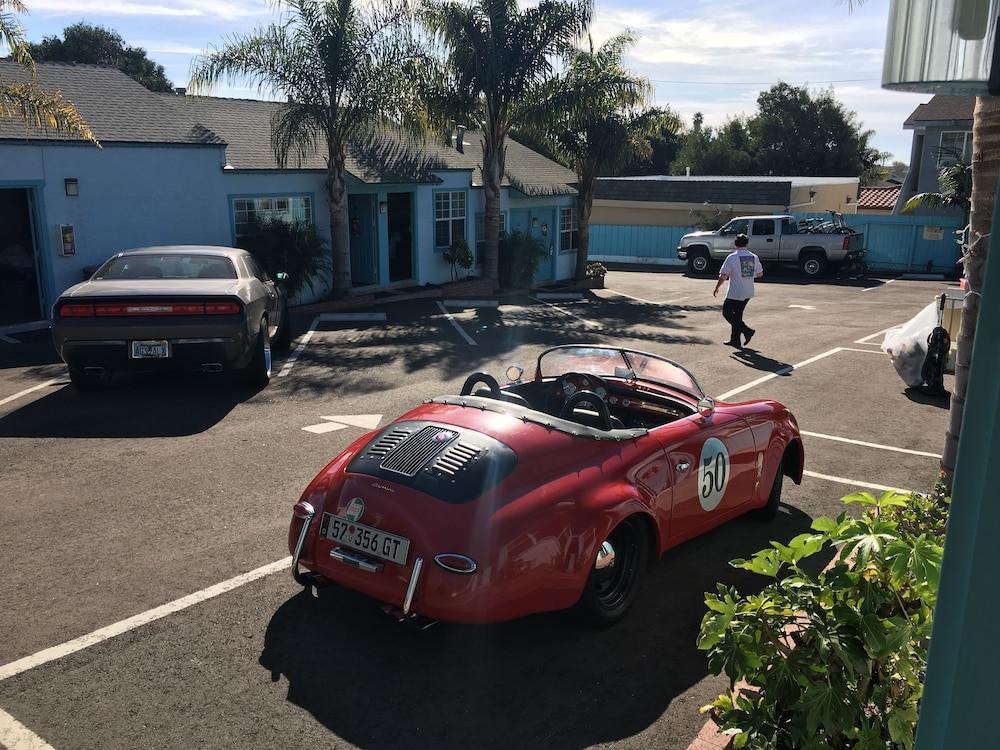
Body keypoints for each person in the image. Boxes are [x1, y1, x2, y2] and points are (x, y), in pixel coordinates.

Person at [713, 233, 763, 347]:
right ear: (747, 243)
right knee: (737, 315)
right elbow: (760, 274)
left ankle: (747, 331)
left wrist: (717, 287)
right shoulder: (753, 257)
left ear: (736, 244)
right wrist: (749, 275)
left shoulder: (732, 257)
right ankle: (735, 340)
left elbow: (724, 275)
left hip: (735, 292)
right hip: (748, 290)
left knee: (727, 312)